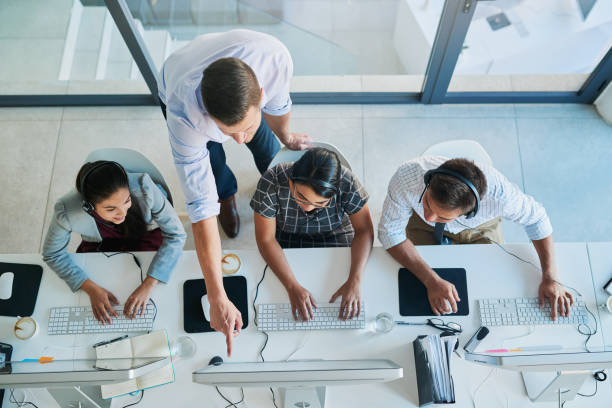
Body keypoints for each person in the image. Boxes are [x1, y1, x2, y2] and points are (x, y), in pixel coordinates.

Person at [158, 29, 310, 355]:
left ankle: (269, 172)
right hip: (176, 75)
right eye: (230, 132)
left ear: (261, 93)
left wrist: (285, 136)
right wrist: (217, 296)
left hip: (246, 76)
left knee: (268, 149)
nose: (239, 140)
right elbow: (200, 209)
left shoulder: (275, 59)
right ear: (208, 115)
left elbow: (279, 105)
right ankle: (228, 196)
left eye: (245, 128)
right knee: (213, 166)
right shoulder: (184, 114)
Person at [378, 155, 573, 320]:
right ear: (429, 182)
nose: (430, 216)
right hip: (420, 225)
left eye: (442, 216)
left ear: (469, 212)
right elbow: (389, 233)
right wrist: (431, 280)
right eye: (428, 202)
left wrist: (550, 276)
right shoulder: (407, 177)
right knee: (415, 282)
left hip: (480, 228)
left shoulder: (501, 197)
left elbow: (537, 219)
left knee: (489, 285)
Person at [43, 161, 186, 324]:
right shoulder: (66, 210)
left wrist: (149, 283)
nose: (122, 213)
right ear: (89, 207)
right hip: (102, 242)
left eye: (127, 201)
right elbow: (52, 254)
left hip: (144, 235)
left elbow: (176, 235)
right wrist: (89, 288)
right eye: (111, 209)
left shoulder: (143, 186)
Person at [251, 148, 374, 321]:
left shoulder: (347, 181)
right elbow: (266, 239)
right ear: (291, 181)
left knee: (337, 282)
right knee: (277, 292)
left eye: (320, 203)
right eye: (300, 196)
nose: (308, 207)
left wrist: (355, 280)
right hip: (287, 236)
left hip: (335, 233)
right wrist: (292, 286)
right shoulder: (271, 181)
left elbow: (364, 230)